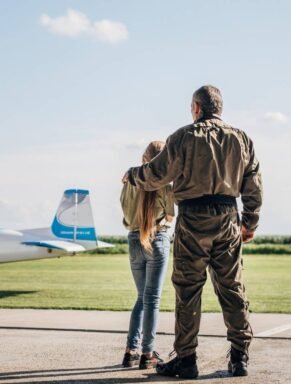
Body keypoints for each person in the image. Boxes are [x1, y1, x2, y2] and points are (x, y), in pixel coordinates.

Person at [123, 85, 263, 378]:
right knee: (232, 288)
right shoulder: (242, 139)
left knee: (188, 290)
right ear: (219, 109)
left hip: (192, 219)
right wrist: (249, 222)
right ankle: (240, 357)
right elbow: (253, 184)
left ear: (197, 108)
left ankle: (186, 359)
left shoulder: (183, 137)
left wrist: (133, 174)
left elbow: (157, 174)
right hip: (228, 218)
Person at [120, 141, 175, 370]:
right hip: (158, 240)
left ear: (144, 157)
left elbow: (125, 212)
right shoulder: (166, 186)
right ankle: (147, 353)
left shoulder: (129, 182)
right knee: (152, 299)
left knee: (141, 298)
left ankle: (130, 351)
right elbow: (170, 216)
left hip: (133, 240)